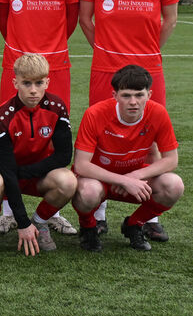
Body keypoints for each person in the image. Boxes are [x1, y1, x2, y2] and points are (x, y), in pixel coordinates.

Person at [0, 0, 81, 236]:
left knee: (54, 137)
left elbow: (70, 19)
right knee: (9, 135)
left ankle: (50, 210)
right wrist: (23, 55)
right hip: (15, 65)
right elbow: (4, 18)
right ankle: (5, 210)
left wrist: (47, 52)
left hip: (56, 65)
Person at [71, 65, 184, 251]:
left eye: (139, 95)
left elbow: (171, 160)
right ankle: (88, 227)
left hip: (135, 180)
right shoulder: (95, 114)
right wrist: (123, 180)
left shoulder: (158, 113)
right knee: (87, 192)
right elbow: (81, 165)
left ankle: (134, 224)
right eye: (126, 95)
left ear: (149, 94)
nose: (133, 102)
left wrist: (135, 176)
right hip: (99, 180)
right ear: (115, 95)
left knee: (174, 185)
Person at [0, 54, 76, 255]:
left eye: (39, 83)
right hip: (3, 171)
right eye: (26, 83)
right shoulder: (3, 116)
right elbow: (7, 170)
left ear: (47, 81)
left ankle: (40, 223)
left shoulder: (57, 107)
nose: (33, 90)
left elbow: (64, 156)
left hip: (35, 170)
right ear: (15, 82)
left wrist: (26, 172)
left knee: (68, 181)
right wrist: (22, 222)